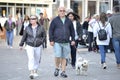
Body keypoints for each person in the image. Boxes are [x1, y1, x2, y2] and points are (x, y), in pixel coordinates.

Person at [49, 6, 75, 78]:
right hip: (57, 41)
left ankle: (63, 72)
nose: (62, 12)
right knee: (57, 55)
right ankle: (57, 68)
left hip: (66, 42)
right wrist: (51, 40)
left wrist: (73, 40)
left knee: (64, 57)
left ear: (65, 12)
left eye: (63, 10)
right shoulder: (55, 20)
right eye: (61, 10)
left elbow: (72, 31)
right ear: (58, 11)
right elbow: (50, 30)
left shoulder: (69, 21)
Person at [19, 15, 46, 79]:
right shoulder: (27, 28)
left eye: (33, 19)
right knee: (31, 58)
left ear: (36, 20)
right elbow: (24, 37)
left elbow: (44, 36)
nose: (31, 20)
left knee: (37, 59)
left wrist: (41, 42)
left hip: (38, 45)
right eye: (30, 19)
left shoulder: (41, 27)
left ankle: (35, 71)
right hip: (29, 45)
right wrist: (21, 44)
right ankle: (31, 72)